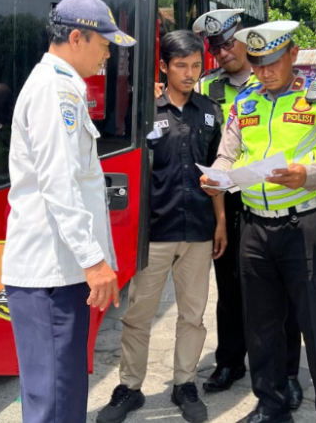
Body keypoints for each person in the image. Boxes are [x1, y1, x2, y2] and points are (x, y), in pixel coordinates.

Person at [202, 20, 316, 423]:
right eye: (257, 63)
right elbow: (227, 152)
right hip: (254, 228)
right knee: (261, 326)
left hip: (305, 226)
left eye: (272, 61)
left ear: (293, 55)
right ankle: (271, 407)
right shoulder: (246, 102)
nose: (264, 71)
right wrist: (215, 176)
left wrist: (309, 175)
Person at [1, 0, 136, 423]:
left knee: (63, 392)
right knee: (55, 400)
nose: (108, 55)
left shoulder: (62, 88)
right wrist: (95, 262)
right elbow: (60, 185)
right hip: (52, 276)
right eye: (104, 44)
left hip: (59, 272)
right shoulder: (54, 92)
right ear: (76, 37)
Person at [97, 30, 226, 423]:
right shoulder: (144, 112)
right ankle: (130, 388)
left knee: (193, 315)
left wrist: (221, 221)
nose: (190, 74)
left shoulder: (210, 111)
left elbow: (216, 171)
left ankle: (184, 384)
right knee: (138, 315)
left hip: (200, 232)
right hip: (153, 233)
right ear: (165, 67)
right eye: (181, 66)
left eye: (196, 66)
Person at [190, 9, 304, 408]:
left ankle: (287, 371)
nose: (221, 52)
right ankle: (229, 360)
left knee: (281, 294)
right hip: (227, 197)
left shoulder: (276, 80)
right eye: (215, 46)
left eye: (227, 43)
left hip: (278, 198)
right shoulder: (207, 87)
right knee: (231, 287)